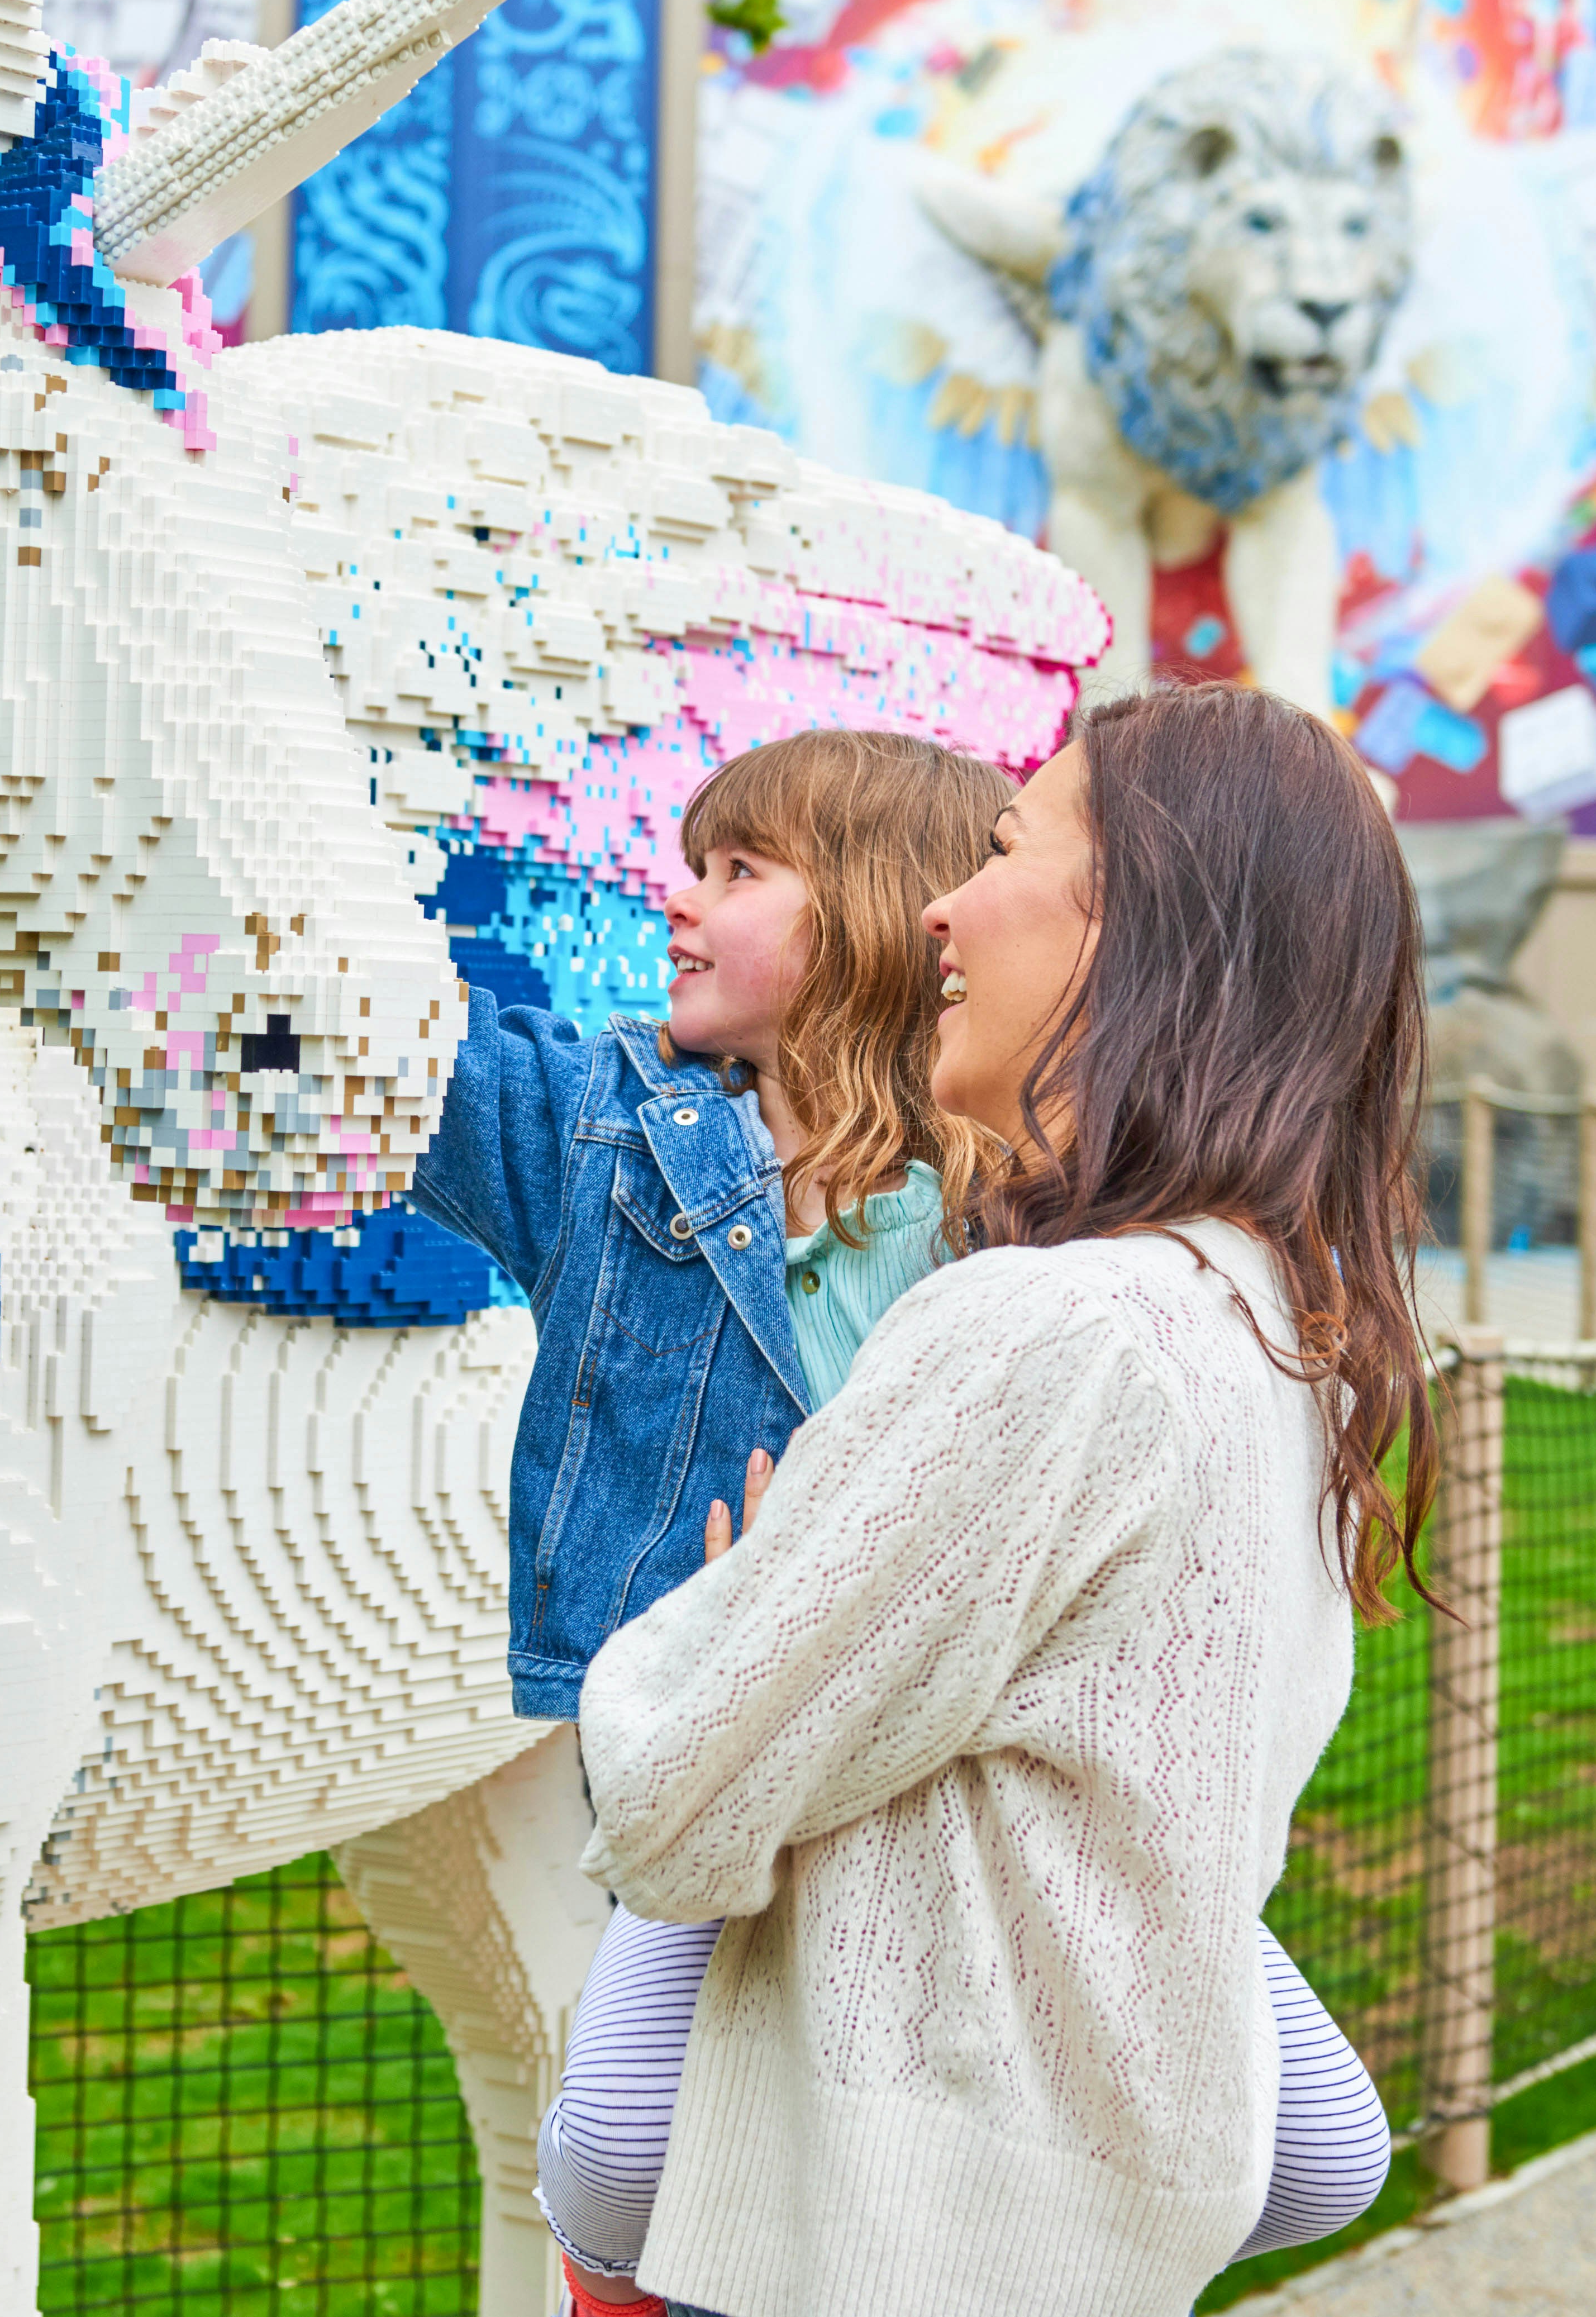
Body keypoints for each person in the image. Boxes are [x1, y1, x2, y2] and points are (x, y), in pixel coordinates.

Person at [390, 726, 1385, 2315]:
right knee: (618, 2146)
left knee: (1318, 2138)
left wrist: (771, 1602)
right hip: (786, 1755)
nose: (949, 907)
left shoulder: (1023, 1275)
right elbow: (409, 1073)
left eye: (1004, 854)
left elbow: (708, 1766)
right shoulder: (1250, 1312)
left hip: (792, 1742)